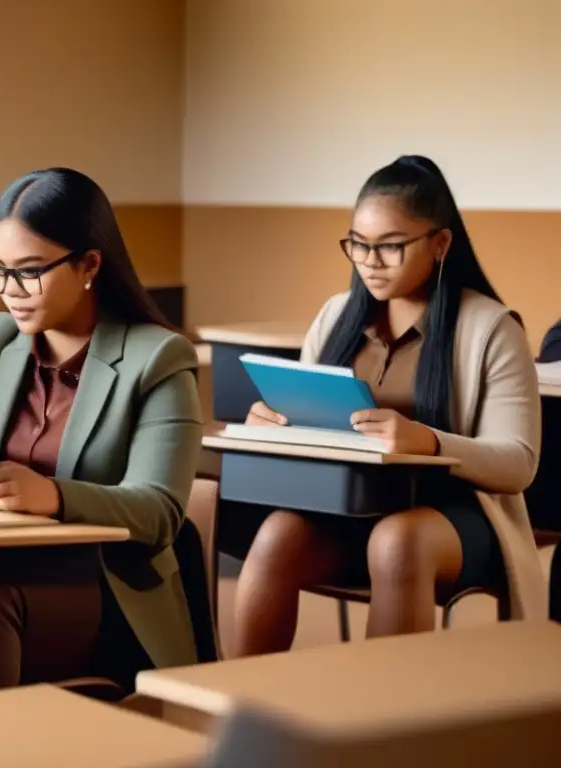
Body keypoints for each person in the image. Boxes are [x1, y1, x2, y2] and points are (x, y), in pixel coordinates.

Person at [0, 167, 204, 703]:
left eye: (30, 271)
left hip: (105, 592)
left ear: (89, 264)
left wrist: (55, 496)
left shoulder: (159, 359)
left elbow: (160, 514)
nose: (9, 292)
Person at [227, 156, 545, 657]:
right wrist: (270, 426)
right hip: (349, 509)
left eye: (391, 246)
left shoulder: (491, 328)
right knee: (276, 535)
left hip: (457, 519)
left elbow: (519, 462)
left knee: (399, 541)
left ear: (440, 245)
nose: (369, 261)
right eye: (358, 244)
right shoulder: (336, 316)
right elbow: (310, 433)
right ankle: (238, 711)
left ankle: (382, 721)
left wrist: (432, 440)